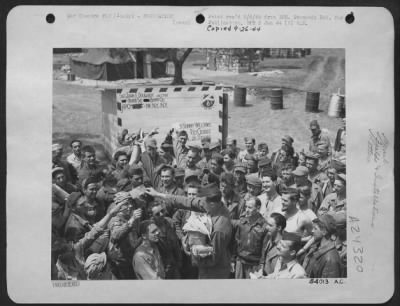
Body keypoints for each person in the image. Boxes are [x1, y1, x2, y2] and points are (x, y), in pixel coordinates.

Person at [145, 183, 233, 279]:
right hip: (206, 266)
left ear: (212, 204)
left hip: (215, 271)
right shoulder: (212, 204)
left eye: (203, 202)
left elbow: (214, 258)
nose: (199, 203)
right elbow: (185, 201)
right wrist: (158, 194)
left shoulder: (220, 228)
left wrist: (193, 253)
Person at [53, 200, 127, 280]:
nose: (73, 246)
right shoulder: (59, 274)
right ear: (62, 256)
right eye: (70, 248)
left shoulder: (76, 248)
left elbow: (94, 232)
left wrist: (111, 214)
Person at [64, 178, 109, 255]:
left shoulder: (98, 203)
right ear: (84, 190)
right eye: (91, 189)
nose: (94, 191)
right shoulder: (74, 224)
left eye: (96, 189)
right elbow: (78, 246)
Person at [107, 193, 142, 279]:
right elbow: (116, 235)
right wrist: (131, 220)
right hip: (121, 261)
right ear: (118, 206)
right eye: (126, 204)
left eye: (130, 203)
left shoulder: (129, 215)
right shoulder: (115, 219)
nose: (130, 206)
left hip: (131, 256)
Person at [232, 197, 267, 279]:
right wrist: (232, 260)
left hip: (255, 264)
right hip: (240, 262)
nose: (247, 210)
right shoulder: (242, 223)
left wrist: (262, 264)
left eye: (250, 207)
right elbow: (236, 242)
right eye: (246, 207)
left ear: (258, 208)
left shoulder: (263, 225)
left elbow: (264, 248)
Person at [172, 184, 200, 279]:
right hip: (185, 248)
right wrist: (181, 237)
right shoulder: (183, 209)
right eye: (189, 194)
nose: (191, 197)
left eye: (194, 194)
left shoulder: (204, 209)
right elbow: (175, 221)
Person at [150, 201, 182, 279]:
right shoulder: (150, 227)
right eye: (157, 214)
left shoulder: (169, 221)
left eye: (162, 211)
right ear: (152, 216)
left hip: (173, 261)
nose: (161, 215)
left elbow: (176, 244)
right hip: (161, 264)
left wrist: (179, 260)